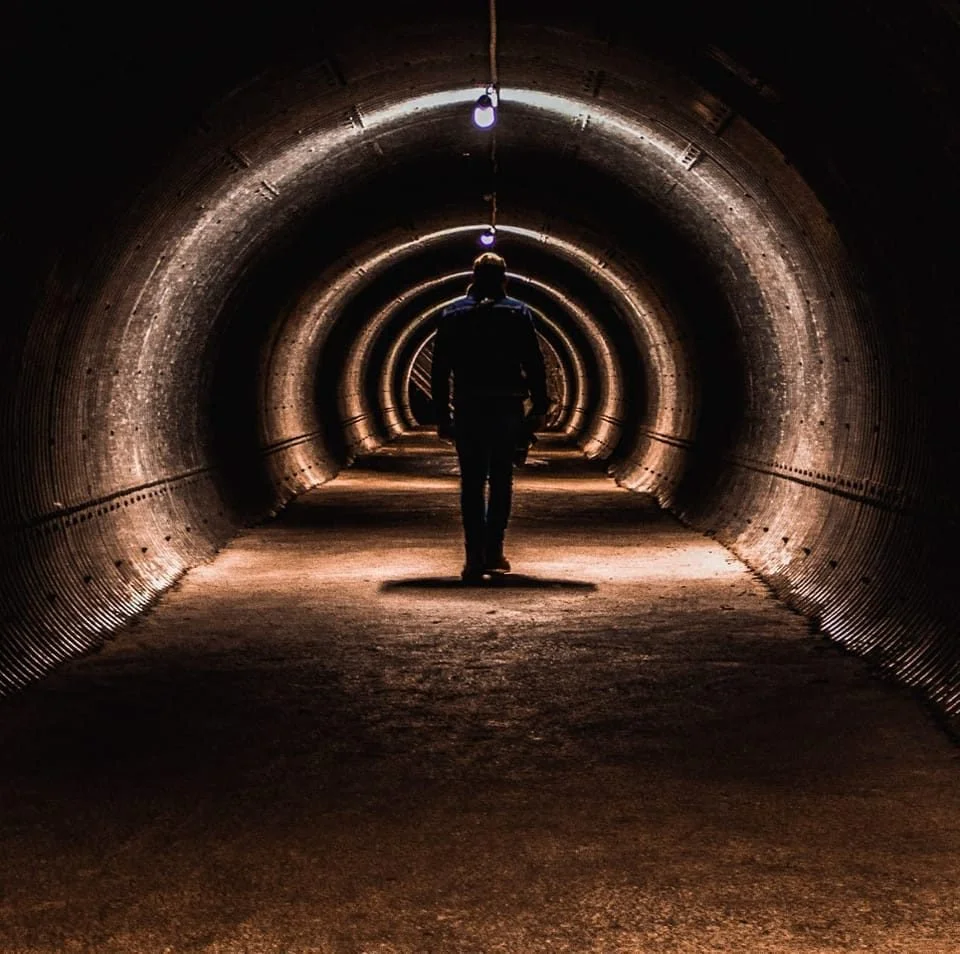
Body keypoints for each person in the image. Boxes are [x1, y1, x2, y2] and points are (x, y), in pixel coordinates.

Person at [431, 252, 549, 582]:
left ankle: (474, 557)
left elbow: (440, 369)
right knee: (500, 479)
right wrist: (540, 407)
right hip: (507, 407)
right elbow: (534, 363)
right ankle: (494, 550)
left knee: (471, 482)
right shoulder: (518, 312)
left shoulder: (452, 313)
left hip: (469, 407)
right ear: (504, 279)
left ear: (472, 276)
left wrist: (441, 414)